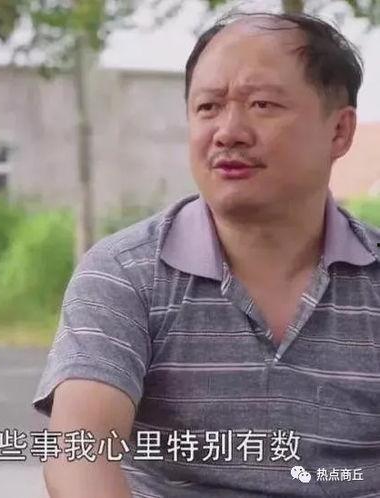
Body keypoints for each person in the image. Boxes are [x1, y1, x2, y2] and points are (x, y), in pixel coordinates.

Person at [32, 11, 380, 498]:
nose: (228, 131)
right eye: (208, 107)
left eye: (262, 104)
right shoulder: (126, 273)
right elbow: (80, 452)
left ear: (339, 132)